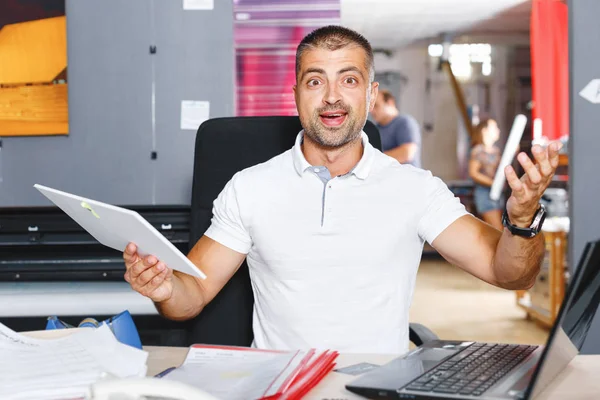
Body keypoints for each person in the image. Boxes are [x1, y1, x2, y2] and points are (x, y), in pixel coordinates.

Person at [123, 25, 562, 354]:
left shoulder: (414, 189)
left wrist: (522, 222)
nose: (332, 96)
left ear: (371, 95)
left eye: (348, 80)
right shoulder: (250, 188)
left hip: (375, 387)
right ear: (295, 94)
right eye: (315, 81)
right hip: (281, 387)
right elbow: (191, 296)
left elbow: (510, 274)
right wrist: (164, 290)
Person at [370, 89, 421, 167]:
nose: (372, 111)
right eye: (371, 106)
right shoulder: (375, 129)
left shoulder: (404, 122)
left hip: (407, 177)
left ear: (390, 103)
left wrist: (372, 159)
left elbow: (407, 153)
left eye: (376, 106)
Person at [469, 118, 504, 230]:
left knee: (496, 229)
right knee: (497, 230)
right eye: (494, 127)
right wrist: (492, 183)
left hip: (497, 193)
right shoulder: (478, 151)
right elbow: (473, 173)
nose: (498, 130)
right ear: (484, 130)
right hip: (485, 193)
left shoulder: (496, 150)